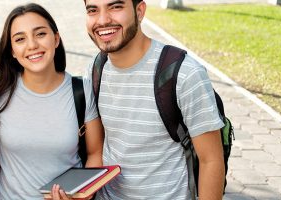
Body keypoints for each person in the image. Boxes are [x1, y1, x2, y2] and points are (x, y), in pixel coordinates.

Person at [82, 0, 226, 199]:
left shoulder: (185, 73)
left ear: (139, 11)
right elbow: (99, 149)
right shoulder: (96, 68)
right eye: (93, 10)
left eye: (115, 7)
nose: (103, 20)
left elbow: (211, 161)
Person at [0, 3, 104, 199]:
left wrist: (83, 193)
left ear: (56, 38)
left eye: (40, 34)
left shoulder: (82, 90)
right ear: (12, 50)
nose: (32, 45)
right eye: (20, 39)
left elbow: (95, 152)